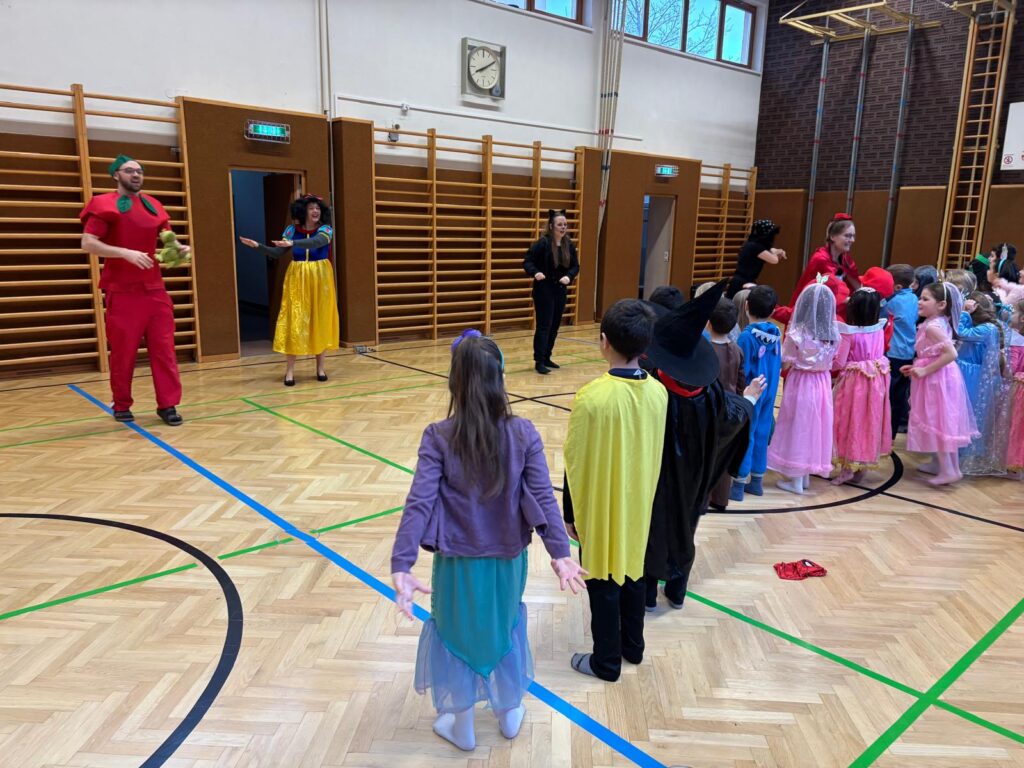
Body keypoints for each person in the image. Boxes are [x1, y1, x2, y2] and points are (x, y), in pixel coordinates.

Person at [390, 331, 586, 752]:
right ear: (501, 380)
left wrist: (402, 564)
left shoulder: (438, 436)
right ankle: (508, 712)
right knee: (503, 626)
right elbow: (544, 498)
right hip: (507, 561)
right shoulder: (524, 432)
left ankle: (461, 725)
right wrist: (561, 553)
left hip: (457, 563)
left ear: (454, 383)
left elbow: (419, 503)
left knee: (456, 633)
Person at [642, 282, 762, 612]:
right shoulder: (709, 392)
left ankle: (648, 593)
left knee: (654, 530)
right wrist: (749, 400)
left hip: (657, 478)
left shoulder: (651, 387)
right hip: (693, 479)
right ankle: (676, 590)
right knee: (685, 529)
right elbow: (730, 418)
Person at [563, 300, 667, 681]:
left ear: (604, 341)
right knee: (633, 572)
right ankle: (633, 647)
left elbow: (574, 461)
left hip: (603, 505)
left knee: (603, 579)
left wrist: (570, 514)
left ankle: (606, 662)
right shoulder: (659, 393)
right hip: (639, 504)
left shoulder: (591, 397)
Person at [80, 155, 190, 426]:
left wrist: (178, 249)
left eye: (140, 171)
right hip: (122, 291)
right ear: (116, 175)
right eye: (129, 170)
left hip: (154, 290)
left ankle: (168, 405)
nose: (136, 175)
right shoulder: (104, 204)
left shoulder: (154, 205)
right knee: (123, 352)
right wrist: (124, 253)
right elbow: (88, 243)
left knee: (164, 350)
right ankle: (121, 404)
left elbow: (168, 240)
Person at [239, 194, 339, 385]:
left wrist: (293, 243)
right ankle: (290, 371)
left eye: (318, 208)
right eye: (311, 208)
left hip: (320, 277)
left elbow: (317, 242)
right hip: (297, 277)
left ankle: (320, 368)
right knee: (295, 319)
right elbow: (277, 252)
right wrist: (257, 246)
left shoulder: (325, 229)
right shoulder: (292, 230)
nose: (315, 211)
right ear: (303, 211)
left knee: (320, 318)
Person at [768, 280, 840, 495]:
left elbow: (785, 361)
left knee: (798, 426)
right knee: (814, 427)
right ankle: (805, 476)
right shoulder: (833, 335)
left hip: (801, 383)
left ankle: (796, 481)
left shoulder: (797, 334)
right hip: (822, 385)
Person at [902, 283, 978, 486]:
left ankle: (949, 470)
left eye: (925, 299)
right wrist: (917, 366)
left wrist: (925, 370)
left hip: (937, 379)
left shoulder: (933, 327)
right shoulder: (936, 322)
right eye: (920, 298)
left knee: (939, 422)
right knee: (941, 420)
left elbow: (951, 354)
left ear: (942, 304)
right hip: (938, 376)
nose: (919, 302)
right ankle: (943, 465)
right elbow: (933, 352)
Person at [832, 288, 892, 485]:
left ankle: (847, 468)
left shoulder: (849, 333)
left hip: (854, 385)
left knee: (850, 421)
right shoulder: (879, 328)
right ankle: (861, 466)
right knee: (869, 421)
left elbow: (839, 362)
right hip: (876, 383)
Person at [730, 285, 782, 500]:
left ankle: (738, 485)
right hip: (769, 390)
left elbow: (741, 368)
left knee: (746, 435)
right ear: (773, 310)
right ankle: (757, 482)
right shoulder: (776, 334)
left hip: (751, 392)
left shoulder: (746, 337)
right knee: (762, 432)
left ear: (746, 305)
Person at [956, 292, 1010, 476]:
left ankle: (960, 456)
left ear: (975, 308)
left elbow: (961, 333)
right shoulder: (982, 326)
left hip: (972, 374)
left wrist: (964, 313)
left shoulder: (987, 328)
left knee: (967, 413)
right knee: (960, 412)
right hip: (966, 371)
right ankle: (954, 455)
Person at [775, 213, 860, 324]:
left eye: (853, 236)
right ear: (833, 237)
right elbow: (827, 294)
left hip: (833, 310)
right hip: (815, 313)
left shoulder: (845, 259)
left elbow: (857, 284)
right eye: (847, 236)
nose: (852, 240)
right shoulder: (820, 259)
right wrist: (854, 300)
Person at [523, 208, 580, 375]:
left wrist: (569, 276)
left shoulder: (568, 245)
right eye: (559, 225)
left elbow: (575, 266)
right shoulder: (542, 243)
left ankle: (547, 356)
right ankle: (539, 360)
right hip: (544, 290)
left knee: (555, 325)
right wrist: (535, 273)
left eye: (565, 225)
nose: (563, 227)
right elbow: (527, 262)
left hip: (560, 290)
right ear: (551, 226)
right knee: (544, 325)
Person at [706, 298, 747, 510]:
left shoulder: (704, 350)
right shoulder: (737, 350)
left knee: (706, 454)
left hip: (707, 408)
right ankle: (721, 499)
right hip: (730, 408)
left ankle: (703, 498)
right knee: (724, 454)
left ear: (708, 323)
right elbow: (741, 382)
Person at [886, 264, 919, 439]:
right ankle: (891, 435)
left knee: (888, 396)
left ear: (897, 286)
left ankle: (883, 434)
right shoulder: (914, 298)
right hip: (908, 352)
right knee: (899, 397)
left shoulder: (893, 302)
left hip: (894, 352)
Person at [725, 219, 786, 299]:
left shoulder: (751, 244)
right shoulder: (756, 248)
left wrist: (777, 251)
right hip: (743, 284)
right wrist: (777, 252)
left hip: (739, 282)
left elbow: (768, 250)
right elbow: (774, 260)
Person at [1005, 299, 1024, 477]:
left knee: (1017, 428)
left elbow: (1010, 369)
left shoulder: (1016, 340)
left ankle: (1014, 464)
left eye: (1014, 311)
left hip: (1019, 389)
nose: (1011, 314)